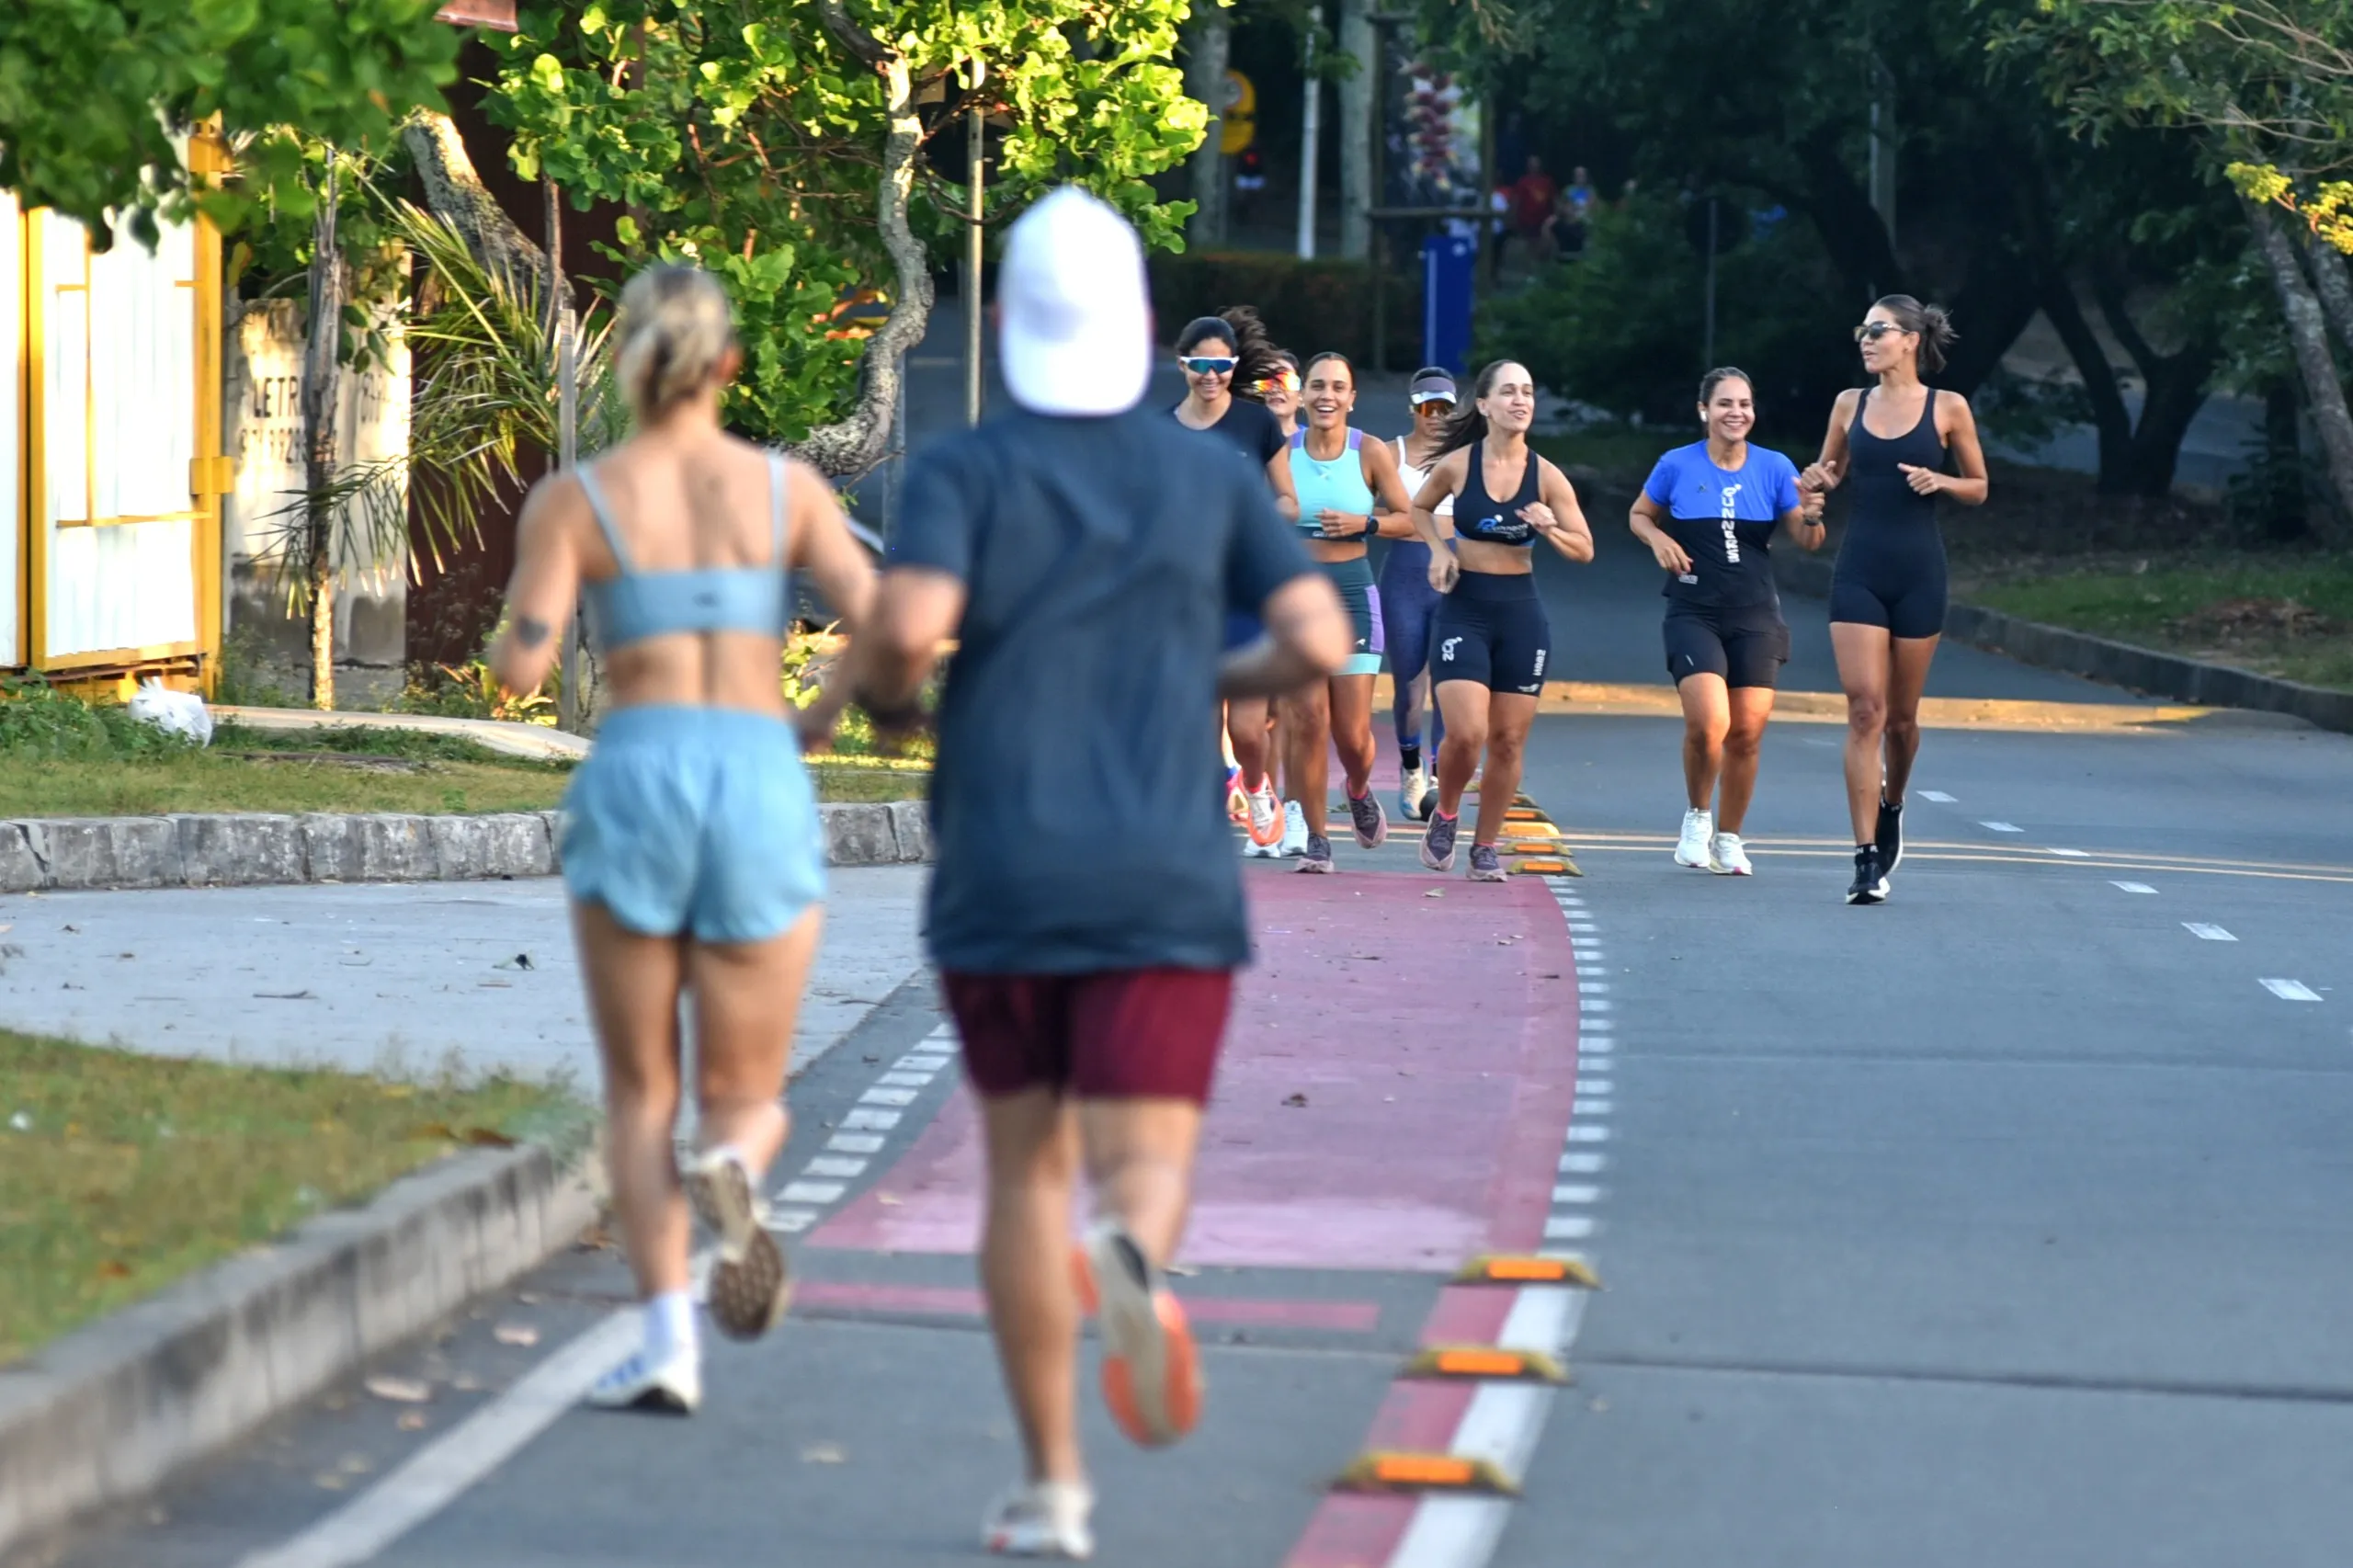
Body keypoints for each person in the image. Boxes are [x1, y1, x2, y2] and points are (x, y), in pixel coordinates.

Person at [845, 187, 1349, 1558]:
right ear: (1136, 325)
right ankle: (1130, 1246)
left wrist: (886, 696)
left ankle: (1052, 1484)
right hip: (1165, 872)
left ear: (1007, 324)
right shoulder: (1206, 478)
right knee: (1146, 1153)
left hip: (1004, 864)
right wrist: (1209, 662)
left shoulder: (965, 471)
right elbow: (1317, 634)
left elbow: (908, 628)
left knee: (1023, 1170)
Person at [487, 263, 876, 1413]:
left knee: (640, 1091)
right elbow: (886, 616)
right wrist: (821, 708)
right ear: (728, 365)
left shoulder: (576, 498)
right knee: (743, 1090)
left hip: (637, 774)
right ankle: (737, 1162)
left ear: (625, 361)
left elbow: (523, 663)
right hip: (756, 774)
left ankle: (665, 1341)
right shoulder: (788, 489)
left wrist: (519, 634)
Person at [1800, 295, 1989, 904]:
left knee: (1901, 722)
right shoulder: (1849, 403)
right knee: (1865, 711)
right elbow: (1830, 470)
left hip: (1919, 573)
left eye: (1878, 330)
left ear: (1910, 340)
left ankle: (1893, 804)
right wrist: (1817, 484)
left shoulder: (1947, 407)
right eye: (1863, 329)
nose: (1866, 338)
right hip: (1859, 569)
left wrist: (1943, 480)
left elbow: (1979, 486)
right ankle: (1863, 859)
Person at [1630, 368, 1824, 877]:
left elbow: (1809, 541)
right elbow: (1639, 514)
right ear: (1704, 411)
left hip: (1756, 613)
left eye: (1744, 404)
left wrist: (1810, 513)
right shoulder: (1676, 464)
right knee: (1709, 724)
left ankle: (1730, 838)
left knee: (1746, 734)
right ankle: (1697, 818)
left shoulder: (1775, 467)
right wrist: (1659, 539)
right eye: (1724, 404)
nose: (1736, 413)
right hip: (1693, 610)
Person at [1409, 359, 1595, 881]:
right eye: (1509, 392)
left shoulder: (1547, 476)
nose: (1521, 401)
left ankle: (1485, 846)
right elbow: (1420, 509)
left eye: (1528, 392)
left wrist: (1550, 528)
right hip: (1464, 608)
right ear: (1485, 405)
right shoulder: (1458, 465)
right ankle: (1446, 813)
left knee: (1509, 740)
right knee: (1467, 732)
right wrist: (1439, 551)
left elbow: (1584, 549)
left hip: (1520, 614)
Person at [1279, 351, 1418, 871]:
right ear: (1302, 395)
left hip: (1353, 592)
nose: (1327, 396)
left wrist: (1366, 524)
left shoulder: (1370, 452)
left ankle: (1358, 787)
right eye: (1318, 386)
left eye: (1338, 387)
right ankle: (1318, 839)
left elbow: (1410, 518)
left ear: (1352, 398)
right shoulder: (1282, 453)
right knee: (1307, 720)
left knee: (1353, 737)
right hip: (1298, 596)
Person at [1172, 309, 1298, 858]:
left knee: (1247, 728)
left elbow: (1289, 501)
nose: (1211, 375)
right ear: (1183, 366)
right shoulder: (1162, 430)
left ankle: (1256, 785)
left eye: (1221, 365)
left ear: (1234, 366)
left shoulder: (1257, 424)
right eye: (1200, 364)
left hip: (1245, 593)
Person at [1382, 367, 1458, 820]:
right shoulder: (1389, 453)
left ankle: (1442, 772)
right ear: (1413, 409)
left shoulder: (1465, 456)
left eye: (1445, 408)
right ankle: (1412, 767)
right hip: (1405, 575)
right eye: (1428, 407)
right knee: (1410, 685)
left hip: (1455, 573)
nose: (1436, 417)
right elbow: (1363, 506)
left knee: (1452, 681)